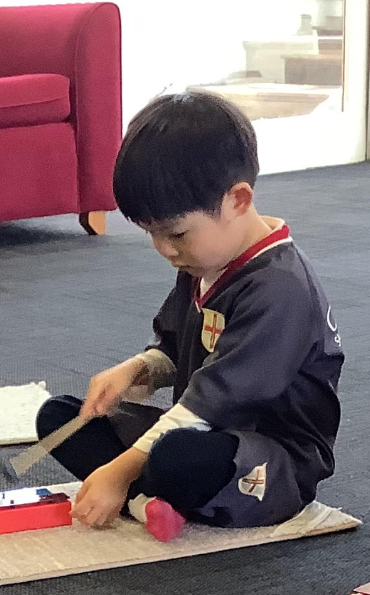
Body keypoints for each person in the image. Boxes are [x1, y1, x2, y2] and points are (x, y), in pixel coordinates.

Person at [37, 90, 343, 543]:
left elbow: (215, 401)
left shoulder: (280, 288)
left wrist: (119, 472)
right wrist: (136, 369)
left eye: (176, 233)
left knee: (180, 456)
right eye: (151, 234)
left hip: (271, 455)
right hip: (200, 425)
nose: (164, 249)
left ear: (238, 200)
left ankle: (142, 494)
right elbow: (175, 347)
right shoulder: (202, 259)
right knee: (61, 417)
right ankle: (151, 502)